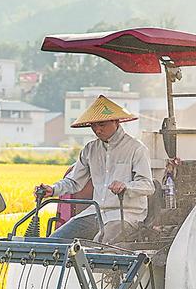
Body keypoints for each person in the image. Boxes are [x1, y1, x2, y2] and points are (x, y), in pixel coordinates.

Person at [35, 95, 153, 240]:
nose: (97, 130)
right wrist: (52, 189)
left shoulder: (136, 148)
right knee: (54, 242)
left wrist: (126, 186)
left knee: (99, 245)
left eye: (102, 125)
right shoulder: (90, 150)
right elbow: (74, 182)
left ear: (116, 121)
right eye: (93, 126)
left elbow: (148, 186)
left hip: (125, 214)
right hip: (95, 212)